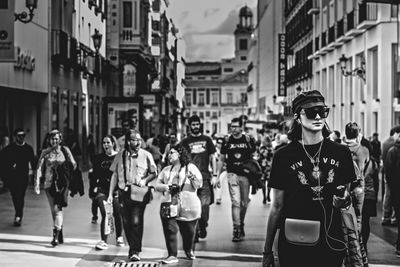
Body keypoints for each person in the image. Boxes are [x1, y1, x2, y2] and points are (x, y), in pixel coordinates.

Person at [262, 90, 356, 267]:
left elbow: (347, 197)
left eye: (323, 111)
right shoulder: (283, 156)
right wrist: (267, 250)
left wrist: (343, 199)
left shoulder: (341, 153)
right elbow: (277, 206)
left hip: (331, 240)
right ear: (298, 117)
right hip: (294, 240)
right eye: (312, 112)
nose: (319, 116)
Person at [107, 129, 157, 261]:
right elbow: (115, 174)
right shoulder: (120, 155)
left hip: (139, 193)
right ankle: (133, 246)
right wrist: (110, 194)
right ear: (129, 141)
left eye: (140, 140)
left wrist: (144, 181)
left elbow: (154, 173)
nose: (139, 142)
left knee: (136, 221)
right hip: (124, 192)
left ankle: (134, 250)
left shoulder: (146, 155)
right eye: (135, 140)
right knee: (126, 221)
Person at [155, 144, 203, 264]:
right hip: (169, 204)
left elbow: (199, 185)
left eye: (172, 152)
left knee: (189, 232)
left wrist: (192, 178)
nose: (169, 155)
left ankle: (188, 250)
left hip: (189, 206)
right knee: (170, 230)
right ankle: (172, 255)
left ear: (179, 154)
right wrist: (167, 187)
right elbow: (157, 185)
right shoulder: (166, 170)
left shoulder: (190, 167)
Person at [216, 117, 256, 242]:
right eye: (231, 126)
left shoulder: (248, 139)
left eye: (236, 126)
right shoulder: (227, 141)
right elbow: (222, 159)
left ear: (241, 127)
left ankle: (241, 224)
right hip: (232, 174)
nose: (233, 129)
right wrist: (217, 176)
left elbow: (254, 155)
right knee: (235, 202)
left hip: (245, 175)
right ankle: (236, 228)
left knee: (244, 203)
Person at [35, 129, 77, 246]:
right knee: (54, 210)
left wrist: (65, 172)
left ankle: (56, 236)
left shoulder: (65, 150)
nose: (54, 141)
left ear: (60, 140)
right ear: (49, 140)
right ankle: (60, 231)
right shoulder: (45, 152)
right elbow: (39, 168)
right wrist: (37, 183)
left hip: (62, 184)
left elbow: (73, 164)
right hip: (49, 184)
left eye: (57, 139)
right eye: (52, 139)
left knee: (57, 208)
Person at [180, 115, 216, 241]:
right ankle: (195, 231)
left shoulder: (207, 139)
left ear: (200, 125)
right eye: (193, 125)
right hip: (189, 180)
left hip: (205, 178)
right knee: (192, 206)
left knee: (204, 205)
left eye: (197, 124)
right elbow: (180, 159)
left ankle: (203, 224)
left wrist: (215, 174)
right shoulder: (185, 142)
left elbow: (212, 157)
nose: (195, 127)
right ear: (190, 126)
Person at [92, 135, 124, 250]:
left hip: (116, 190)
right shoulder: (98, 158)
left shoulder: (119, 157)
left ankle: (119, 237)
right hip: (102, 189)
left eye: (108, 142)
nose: (105, 145)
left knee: (117, 214)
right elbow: (94, 174)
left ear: (113, 143)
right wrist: (93, 189)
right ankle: (103, 240)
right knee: (106, 213)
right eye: (104, 143)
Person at [3, 129, 36, 226]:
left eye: (23, 135)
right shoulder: (9, 149)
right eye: (19, 135)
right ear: (15, 137)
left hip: (23, 177)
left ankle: (18, 215)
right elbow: (3, 163)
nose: (21, 137)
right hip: (12, 177)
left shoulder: (28, 148)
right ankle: (18, 213)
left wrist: (35, 177)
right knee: (15, 196)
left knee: (21, 196)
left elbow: (33, 163)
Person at [343, 122, 369, 231]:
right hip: (358, 187)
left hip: (344, 188)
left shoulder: (340, 148)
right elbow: (366, 167)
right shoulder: (363, 150)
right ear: (358, 134)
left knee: (344, 217)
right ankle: (357, 243)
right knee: (358, 218)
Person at [383, 127, 400, 257]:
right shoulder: (392, 149)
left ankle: (399, 246)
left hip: (396, 188)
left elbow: (389, 171)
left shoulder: (392, 150)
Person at [381, 126, 400, 226]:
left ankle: (385, 216)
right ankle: (394, 217)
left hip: (387, 172)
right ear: (396, 133)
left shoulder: (384, 143)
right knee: (395, 196)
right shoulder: (394, 145)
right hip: (394, 174)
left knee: (387, 195)